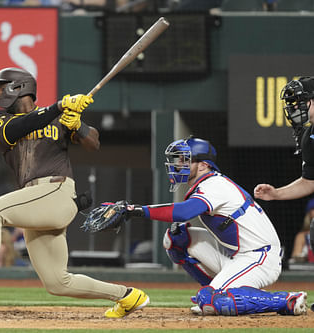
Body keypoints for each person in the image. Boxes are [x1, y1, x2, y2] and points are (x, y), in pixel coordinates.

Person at [0, 67, 148, 318]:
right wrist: (59, 107)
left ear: (21, 88)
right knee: (58, 282)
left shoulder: (59, 118)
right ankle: (128, 296)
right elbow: (20, 128)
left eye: (3, 88)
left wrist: (78, 124)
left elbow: (93, 142)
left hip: (56, 192)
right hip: (35, 202)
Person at [94, 136, 308, 316]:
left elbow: (184, 212)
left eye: (185, 160)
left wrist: (135, 210)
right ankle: (216, 290)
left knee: (213, 302)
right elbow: (182, 219)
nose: (178, 164)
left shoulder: (214, 184)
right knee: (175, 238)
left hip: (261, 257)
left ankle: (286, 300)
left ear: (204, 165)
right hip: (236, 255)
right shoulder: (206, 184)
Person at [254, 76, 314, 257]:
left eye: (300, 101)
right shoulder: (309, 137)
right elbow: (309, 181)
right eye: (292, 103)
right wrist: (276, 193)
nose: (295, 107)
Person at [289, 198, 314, 264]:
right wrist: (304, 257)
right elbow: (294, 260)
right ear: (309, 213)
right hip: (308, 272)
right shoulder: (302, 236)